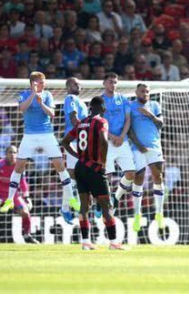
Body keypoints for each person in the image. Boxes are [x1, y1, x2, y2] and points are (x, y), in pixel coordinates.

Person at [0, 72, 80, 217]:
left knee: (60, 166)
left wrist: (40, 102)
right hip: (29, 135)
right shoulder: (24, 94)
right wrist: (33, 94)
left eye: (43, 82)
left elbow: (52, 114)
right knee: (18, 167)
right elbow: (22, 109)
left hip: (46, 134)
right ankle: (9, 200)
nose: (43, 85)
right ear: (33, 83)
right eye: (40, 82)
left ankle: (72, 199)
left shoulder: (48, 95)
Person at [61, 96, 123, 251]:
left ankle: (86, 242)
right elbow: (103, 140)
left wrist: (77, 156)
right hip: (95, 168)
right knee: (106, 205)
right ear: (102, 107)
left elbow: (65, 141)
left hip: (80, 167)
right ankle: (114, 242)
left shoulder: (81, 123)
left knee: (84, 206)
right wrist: (103, 163)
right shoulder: (101, 122)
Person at [127, 83, 166, 232]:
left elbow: (161, 124)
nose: (145, 93)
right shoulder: (131, 106)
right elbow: (129, 130)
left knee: (158, 176)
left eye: (147, 91)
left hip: (155, 146)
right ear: (136, 92)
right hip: (138, 148)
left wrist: (149, 114)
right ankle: (137, 215)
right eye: (142, 91)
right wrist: (139, 145)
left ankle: (159, 213)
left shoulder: (155, 105)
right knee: (139, 178)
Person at [101, 73, 136, 211]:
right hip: (105, 142)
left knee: (131, 174)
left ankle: (116, 197)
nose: (113, 85)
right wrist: (112, 137)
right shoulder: (99, 100)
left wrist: (121, 136)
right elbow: (98, 123)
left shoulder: (123, 99)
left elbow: (128, 119)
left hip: (122, 141)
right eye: (110, 82)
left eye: (115, 82)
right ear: (104, 83)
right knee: (106, 176)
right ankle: (105, 203)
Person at [61, 77, 89, 223]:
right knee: (73, 174)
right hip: (73, 139)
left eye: (79, 84)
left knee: (74, 175)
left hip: (81, 140)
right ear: (68, 87)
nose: (77, 86)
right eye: (74, 84)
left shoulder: (82, 102)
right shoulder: (70, 98)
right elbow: (73, 118)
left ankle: (65, 207)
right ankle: (68, 205)